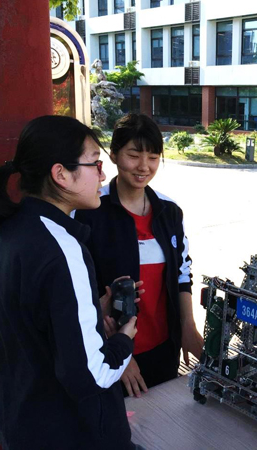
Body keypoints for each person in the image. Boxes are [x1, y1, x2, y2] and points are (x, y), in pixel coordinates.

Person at [0, 116, 138, 449]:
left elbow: (30, 327)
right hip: (69, 434)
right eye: (94, 164)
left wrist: (92, 311)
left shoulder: (3, 234)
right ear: (61, 174)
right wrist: (124, 339)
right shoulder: (63, 248)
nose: (102, 175)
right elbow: (92, 374)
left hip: (19, 426)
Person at [74, 114, 203, 397]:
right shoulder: (89, 212)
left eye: (153, 157)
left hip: (163, 347)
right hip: (111, 351)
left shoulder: (169, 211)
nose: (144, 166)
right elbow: (79, 291)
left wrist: (187, 327)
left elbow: (182, 274)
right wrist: (116, 350)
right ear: (113, 154)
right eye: (133, 155)